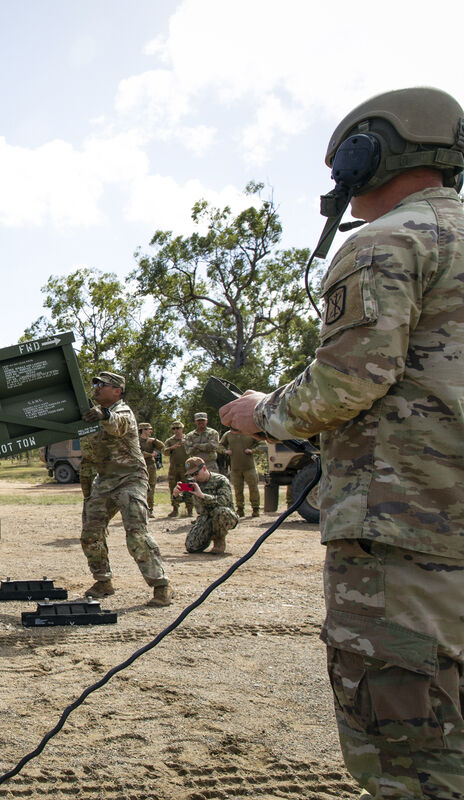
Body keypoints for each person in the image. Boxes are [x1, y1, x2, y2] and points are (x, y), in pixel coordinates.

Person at [220, 87, 464, 799]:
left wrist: (263, 412)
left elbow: (348, 382)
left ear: (369, 154)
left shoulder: (390, 242)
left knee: (411, 751)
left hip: (408, 535)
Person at [79, 371, 172, 607]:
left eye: (103, 385)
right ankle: (103, 581)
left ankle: (162, 586)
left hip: (130, 478)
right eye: (96, 384)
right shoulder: (94, 414)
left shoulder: (122, 411)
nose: (97, 388)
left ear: (117, 391)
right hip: (105, 479)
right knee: (90, 532)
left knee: (136, 533)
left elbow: (118, 425)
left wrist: (103, 414)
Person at [173, 457, 237, 554]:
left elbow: (223, 501)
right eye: (191, 474)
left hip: (225, 517)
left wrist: (202, 496)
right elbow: (184, 500)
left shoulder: (220, 480)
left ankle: (219, 541)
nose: (194, 477)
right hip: (205, 518)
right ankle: (207, 536)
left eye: (195, 473)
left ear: (204, 468)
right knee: (191, 547)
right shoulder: (193, 484)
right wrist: (176, 495)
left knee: (220, 511)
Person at [219, 429, 261, 517]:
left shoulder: (250, 432)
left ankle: (255, 509)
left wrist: (253, 450)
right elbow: (220, 445)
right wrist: (225, 451)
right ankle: (240, 509)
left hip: (249, 467)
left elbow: (262, 445)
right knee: (237, 490)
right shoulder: (228, 434)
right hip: (235, 468)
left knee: (253, 488)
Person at [163, 422, 193, 518]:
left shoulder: (188, 439)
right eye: (174, 428)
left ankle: (189, 510)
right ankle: (175, 509)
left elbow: (193, 450)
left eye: (178, 428)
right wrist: (172, 447)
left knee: (187, 487)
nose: (176, 430)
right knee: (173, 487)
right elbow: (164, 452)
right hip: (174, 467)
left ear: (182, 429)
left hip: (186, 467)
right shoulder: (170, 441)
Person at [138, 422, 166, 518]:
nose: (151, 431)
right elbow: (139, 453)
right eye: (149, 429)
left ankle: (150, 509)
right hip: (141, 466)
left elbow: (162, 447)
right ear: (144, 430)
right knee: (140, 487)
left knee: (151, 487)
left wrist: (154, 440)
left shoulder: (152, 441)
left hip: (151, 466)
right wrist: (151, 455)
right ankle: (141, 510)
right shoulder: (137, 440)